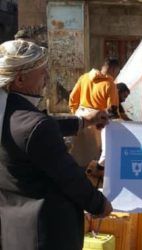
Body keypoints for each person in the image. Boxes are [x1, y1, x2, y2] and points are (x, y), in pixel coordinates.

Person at [0, 40, 112, 249]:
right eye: (42, 73)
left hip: (14, 231)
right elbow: (69, 177)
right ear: (21, 79)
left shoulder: (9, 115)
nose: (47, 79)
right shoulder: (36, 126)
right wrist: (99, 204)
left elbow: (35, 132)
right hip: (47, 234)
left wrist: (84, 120)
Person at [68, 58, 120, 166]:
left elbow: (72, 98)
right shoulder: (110, 83)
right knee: (92, 160)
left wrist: (76, 113)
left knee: (76, 155)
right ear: (114, 70)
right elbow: (112, 110)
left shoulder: (84, 77)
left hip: (80, 117)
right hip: (97, 122)